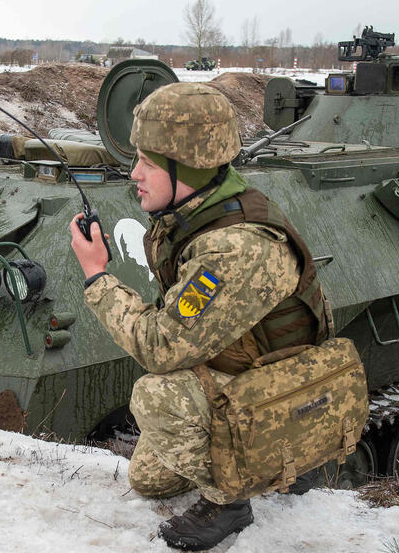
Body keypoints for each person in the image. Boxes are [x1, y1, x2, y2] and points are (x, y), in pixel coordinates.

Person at [69, 83, 330, 551]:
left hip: (287, 396)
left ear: (185, 166)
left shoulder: (235, 247)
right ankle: (269, 463)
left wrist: (96, 276)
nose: (134, 174)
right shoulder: (198, 214)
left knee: (156, 396)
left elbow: (160, 347)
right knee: (148, 478)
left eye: (148, 163)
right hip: (249, 376)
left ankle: (232, 500)